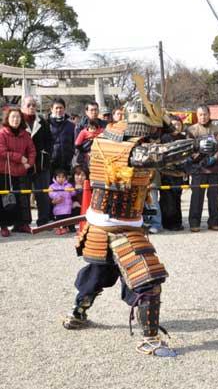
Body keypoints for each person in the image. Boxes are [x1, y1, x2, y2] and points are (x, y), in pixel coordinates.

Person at [62, 103, 198, 356]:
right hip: (116, 227)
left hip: (115, 223)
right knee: (147, 279)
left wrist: (197, 156)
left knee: (97, 274)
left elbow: (174, 166)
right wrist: (195, 145)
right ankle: (149, 339)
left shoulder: (123, 140)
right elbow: (152, 156)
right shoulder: (119, 145)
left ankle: (77, 313)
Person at [186, 105, 218, 231]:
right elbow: (188, 148)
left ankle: (214, 221)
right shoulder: (191, 130)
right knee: (197, 196)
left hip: (214, 167)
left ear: (209, 114)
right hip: (198, 167)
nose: (203, 117)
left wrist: (214, 158)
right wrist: (197, 158)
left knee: (213, 196)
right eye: (200, 114)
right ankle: (194, 222)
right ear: (197, 115)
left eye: (205, 114)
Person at [0, 107, 36, 236]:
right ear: (7, 119)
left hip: (21, 171)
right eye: (13, 117)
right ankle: (3, 225)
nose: (15, 119)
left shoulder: (25, 134)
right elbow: (2, 152)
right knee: (4, 199)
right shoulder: (2, 133)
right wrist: (19, 157)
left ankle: (22, 224)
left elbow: (32, 151)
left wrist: (29, 164)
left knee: (23, 199)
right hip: (4, 171)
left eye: (18, 117)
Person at [21, 95, 53, 227]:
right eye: (28, 105)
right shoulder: (18, 121)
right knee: (23, 193)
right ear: (22, 106)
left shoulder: (43, 122)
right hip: (23, 163)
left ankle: (43, 220)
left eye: (34, 105)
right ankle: (24, 222)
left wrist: (46, 154)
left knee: (42, 192)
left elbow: (50, 140)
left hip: (41, 163)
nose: (31, 107)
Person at [159, 117, 187, 231]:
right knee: (167, 199)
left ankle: (177, 222)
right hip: (167, 172)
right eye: (174, 124)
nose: (176, 127)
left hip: (179, 172)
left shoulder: (184, 138)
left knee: (177, 198)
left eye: (178, 124)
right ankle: (167, 222)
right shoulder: (165, 138)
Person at [48, 98, 75, 173]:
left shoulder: (71, 125)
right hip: (51, 164)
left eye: (61, 108)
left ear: (64, 109)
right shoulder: (46, 124)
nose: (59, 110)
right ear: (51, 109)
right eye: (56, 108)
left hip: (66, 164)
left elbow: (74, 143)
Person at [48, 168, 76, 235]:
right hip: (58, 208)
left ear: (66, 178)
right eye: (59, 177)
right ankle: (58, 228)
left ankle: (65, 228)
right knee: (58, 219)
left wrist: (70, 190)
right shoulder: (52, 186)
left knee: (66, 219)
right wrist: (57, 196)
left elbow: (74, 193)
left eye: (63, 177)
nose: (61, 178)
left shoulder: (69, 185)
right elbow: (50, 193)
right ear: (55, 178)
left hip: (67, 208)